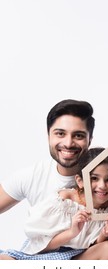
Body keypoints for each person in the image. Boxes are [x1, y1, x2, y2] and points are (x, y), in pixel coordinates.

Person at [0, 99, 96, 259]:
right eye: (60, 133)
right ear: (48, 135)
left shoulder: (107, 176)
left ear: (90, 139)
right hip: (36, 257)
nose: (68, 143)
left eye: (78, 135)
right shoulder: (32, 175)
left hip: (81, 262)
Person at [0, 147, 108, 260]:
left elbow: (95, 249)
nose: (102, 186)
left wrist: (104, 235)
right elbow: (40, 245)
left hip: (77, 259)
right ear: (80, 181)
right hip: (46, 255)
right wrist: (71, 232)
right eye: (94, 178)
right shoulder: (64, 201)